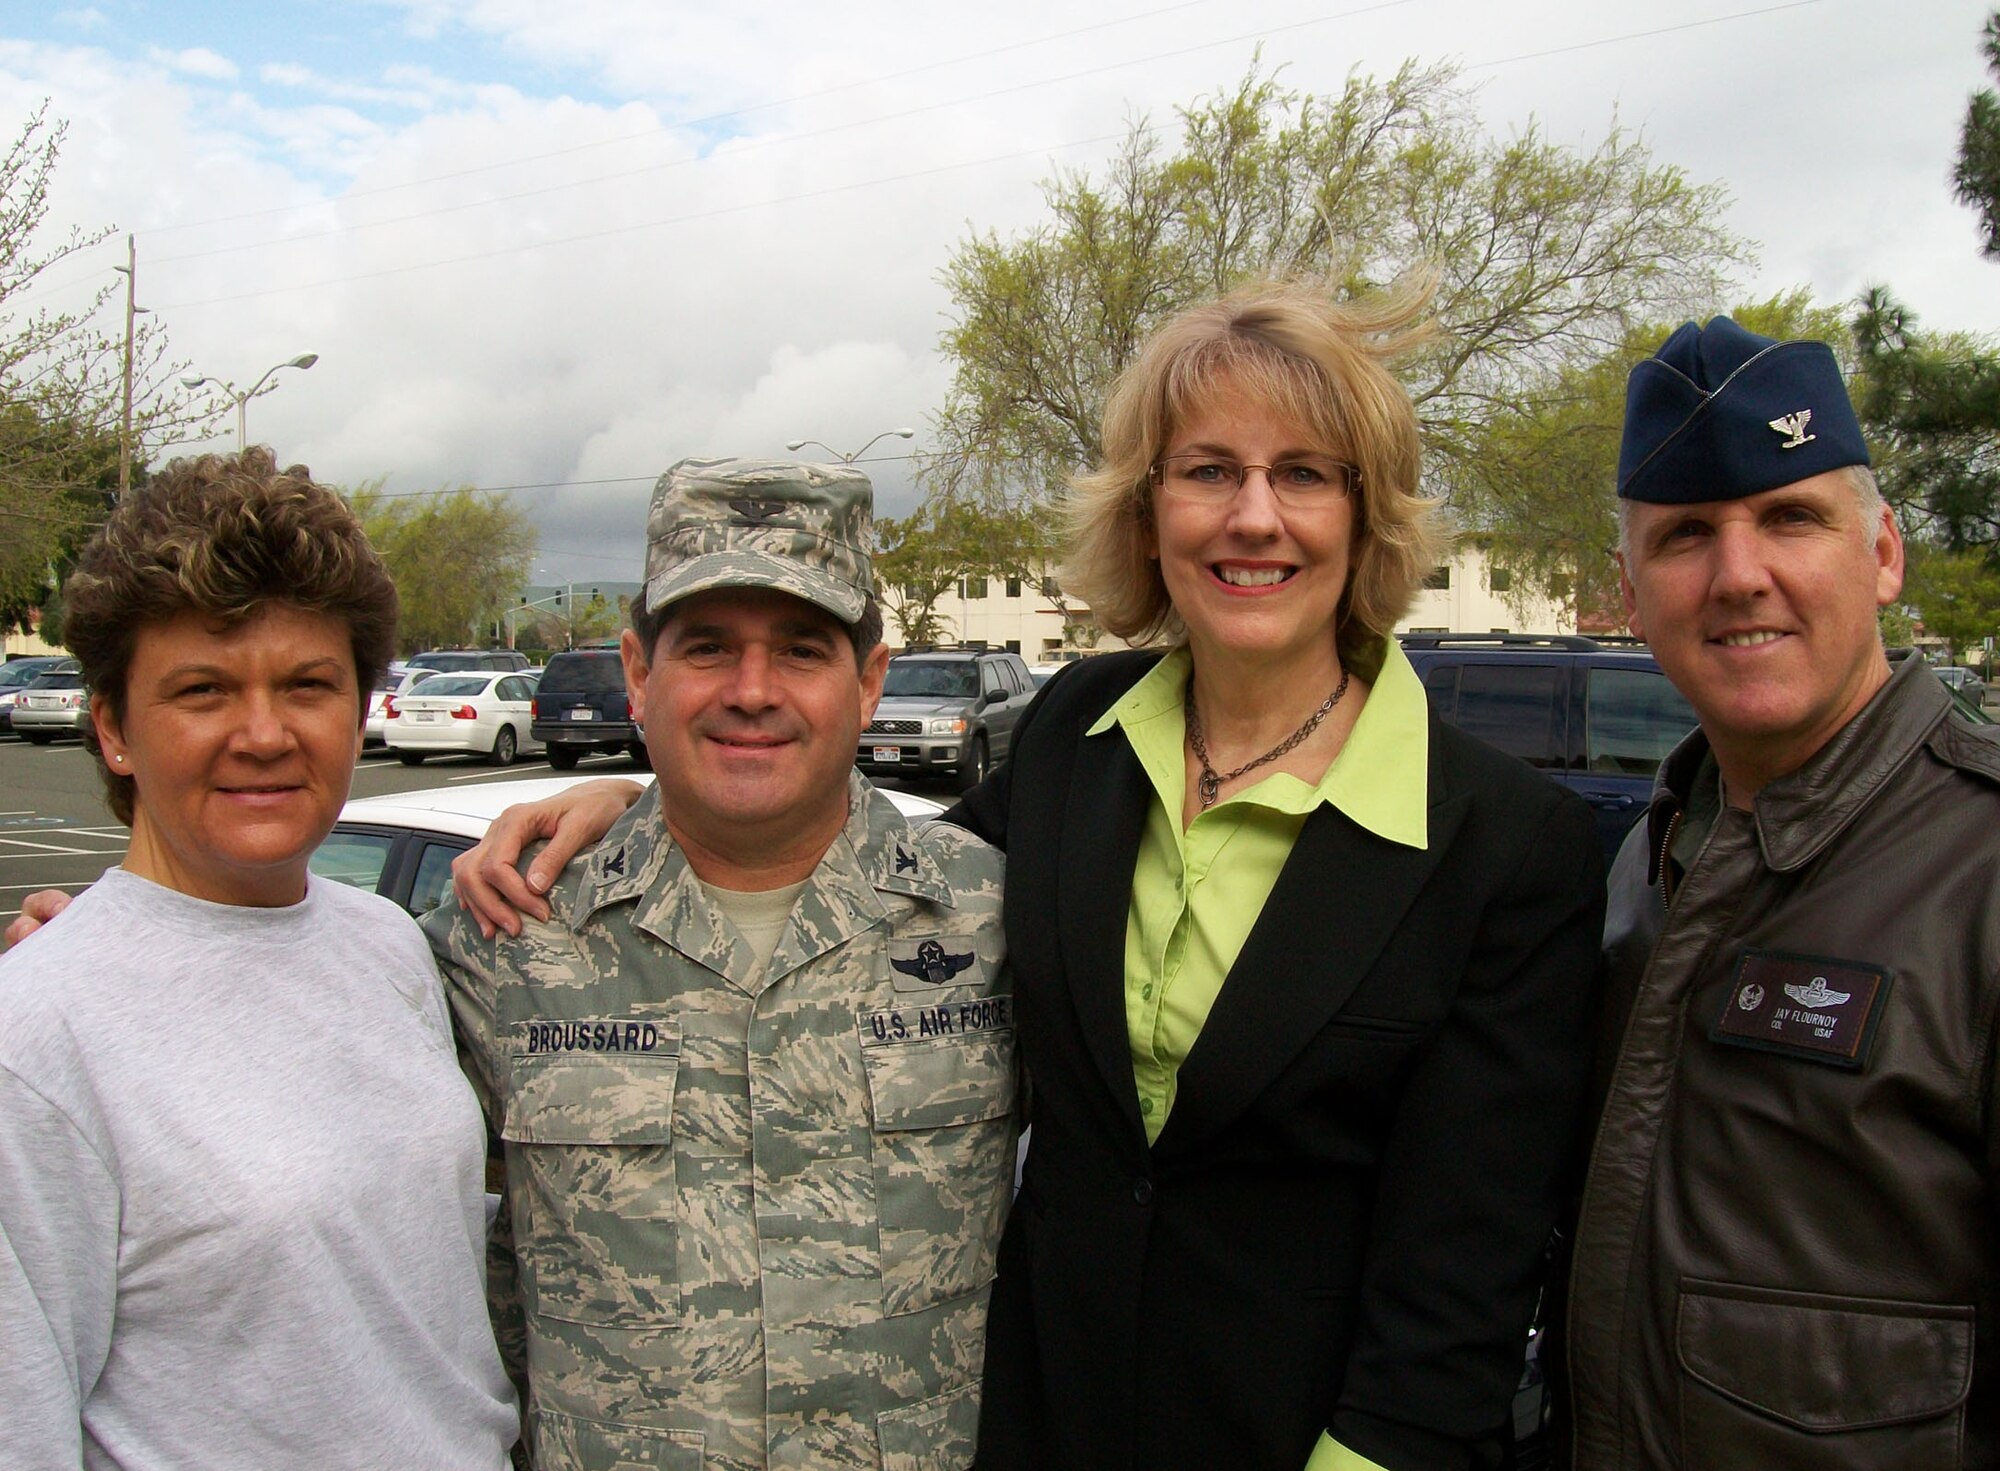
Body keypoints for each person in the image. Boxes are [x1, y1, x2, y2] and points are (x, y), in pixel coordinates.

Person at [454, 284, 1606, 1471]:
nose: (1251, 516)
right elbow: (861, 862)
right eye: (1206, 470)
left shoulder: (1503, 845)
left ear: (1367, 518)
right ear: (1147, 510)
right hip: (1044, 1427)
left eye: (1305, 474)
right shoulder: (1074, 738)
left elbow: (1464, 1272)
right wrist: (637, 801)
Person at [430, 458, 1014, 1470]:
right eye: (706, 648)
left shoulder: (995, 919)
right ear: (637, 671)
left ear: (868, 680)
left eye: (800, 650)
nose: (752, 692)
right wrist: (65, 947)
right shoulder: (508, 929)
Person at [0, 450, 518, 1470]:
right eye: (202, 690)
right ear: (112, 728)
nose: (265, 733)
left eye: (307, 684)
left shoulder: (384, 947)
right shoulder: (37, 1039)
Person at [1563, 317, 2000, 1468]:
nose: (1737, 573)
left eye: (1789, 517)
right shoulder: (1646, 861)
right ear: (1628, 588)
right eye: (1684, 535)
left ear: (1883, 552)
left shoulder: (1982, 873)